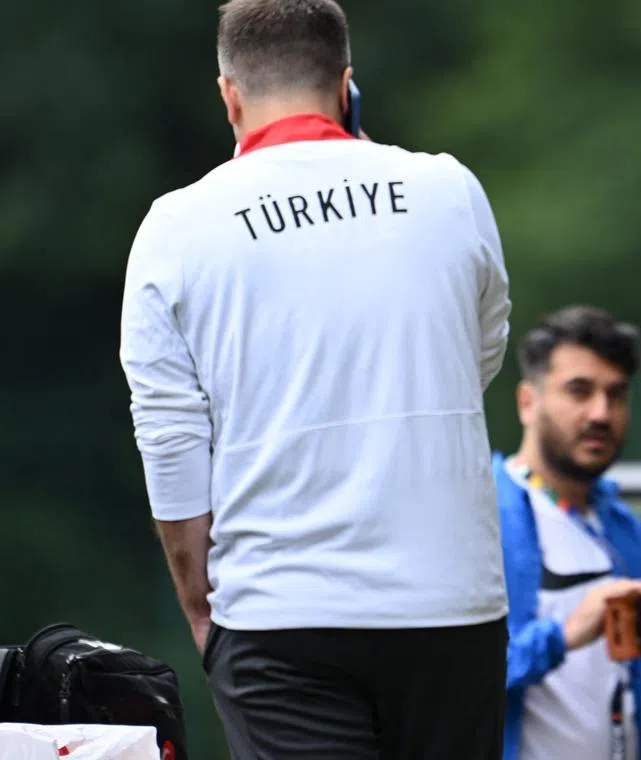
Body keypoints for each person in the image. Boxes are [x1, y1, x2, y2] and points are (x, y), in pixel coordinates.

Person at [117, 1, 511, 757]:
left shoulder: (177, 224)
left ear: (228, 94)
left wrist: (201, 605)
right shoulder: (447, 190)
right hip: (448, 598)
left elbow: (170, 437)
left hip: (278, 608)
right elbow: (476, 354)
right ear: (346, 84)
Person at [492, 305, 641, 760]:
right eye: (579, 391)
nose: (601, 413)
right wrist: (565, 633)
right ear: (528, 402)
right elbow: (452, 675)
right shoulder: (485, 514)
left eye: (616, 394)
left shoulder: (624, 522)